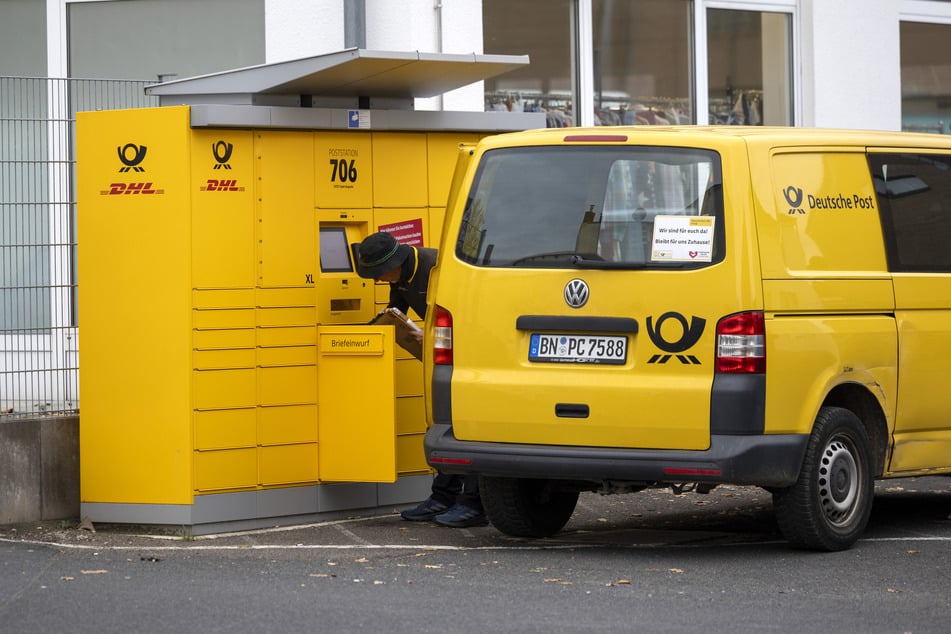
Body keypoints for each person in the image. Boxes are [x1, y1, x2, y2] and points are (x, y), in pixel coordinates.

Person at [355, 231, 487, 528]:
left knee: (468, 426)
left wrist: (429, 336)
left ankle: (474, 503)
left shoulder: (438, 269)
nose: (378, 280)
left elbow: (470, 317)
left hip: (471, 357)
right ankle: (443, 497)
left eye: (379, 274)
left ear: (394, 265)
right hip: (444, 356)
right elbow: (397, 312)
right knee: (442, 426)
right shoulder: (400, 277)